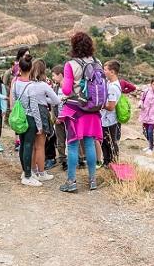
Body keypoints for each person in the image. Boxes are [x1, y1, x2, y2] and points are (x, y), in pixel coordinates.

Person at [58, 32, 102, 192]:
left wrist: (63, 81)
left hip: (75, 110)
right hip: (93, 109)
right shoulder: (98, 63)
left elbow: (67, 89)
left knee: (73, 145)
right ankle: (92, 181)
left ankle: (71, 181)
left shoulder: (71, 65)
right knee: (90, 143)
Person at [11, 55, 60, 186]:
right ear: (31, 68)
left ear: (19, 68)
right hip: (30, 118)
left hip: (19, 117)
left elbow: (13, 102)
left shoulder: (15, 83)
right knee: (30, 145)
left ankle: (26, 171)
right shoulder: (31, 86)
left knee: (23, 145)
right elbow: (34, 108)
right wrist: (39, 126)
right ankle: (28, 176)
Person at [29, 59, 61, 181]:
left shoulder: (28, 84)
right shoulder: (43, 86)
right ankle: (42, 173)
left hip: (30, 115)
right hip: (41, 114)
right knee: (40, 146)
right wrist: (45, 100)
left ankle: (32, 171)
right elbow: (56, 101)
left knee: (32, 145)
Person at [4, 47, 30, 150]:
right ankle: (18, 141)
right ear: (20, 55)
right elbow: (10, 79)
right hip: (18, 92)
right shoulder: (16, 66)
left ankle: (22, 139)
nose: (27, 56)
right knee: (18, 116)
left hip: (25, 91)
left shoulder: (27, 65)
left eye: (28, 55)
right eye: (25, 55)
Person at [101, 60, 122, 167]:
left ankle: (113, 162)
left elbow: (111, 107)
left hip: (109, 120)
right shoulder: (109, 83)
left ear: (112, 72)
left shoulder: (113, 87)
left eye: (105, 70)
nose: (103, 72)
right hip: (105, 119)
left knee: (110, 143)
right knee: (105, 142)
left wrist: (100, 104)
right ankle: (107, 161)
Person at [51, 65, 68, 170]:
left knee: (72, 140)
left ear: (60, 75)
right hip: (59, 119)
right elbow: (53, 104)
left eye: (53, 75)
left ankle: (78, 159)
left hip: (68, 119)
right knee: (60, 140)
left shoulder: (69, 87)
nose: (52, 77)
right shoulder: (55, 88)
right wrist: (55, 118)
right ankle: (63, 160)